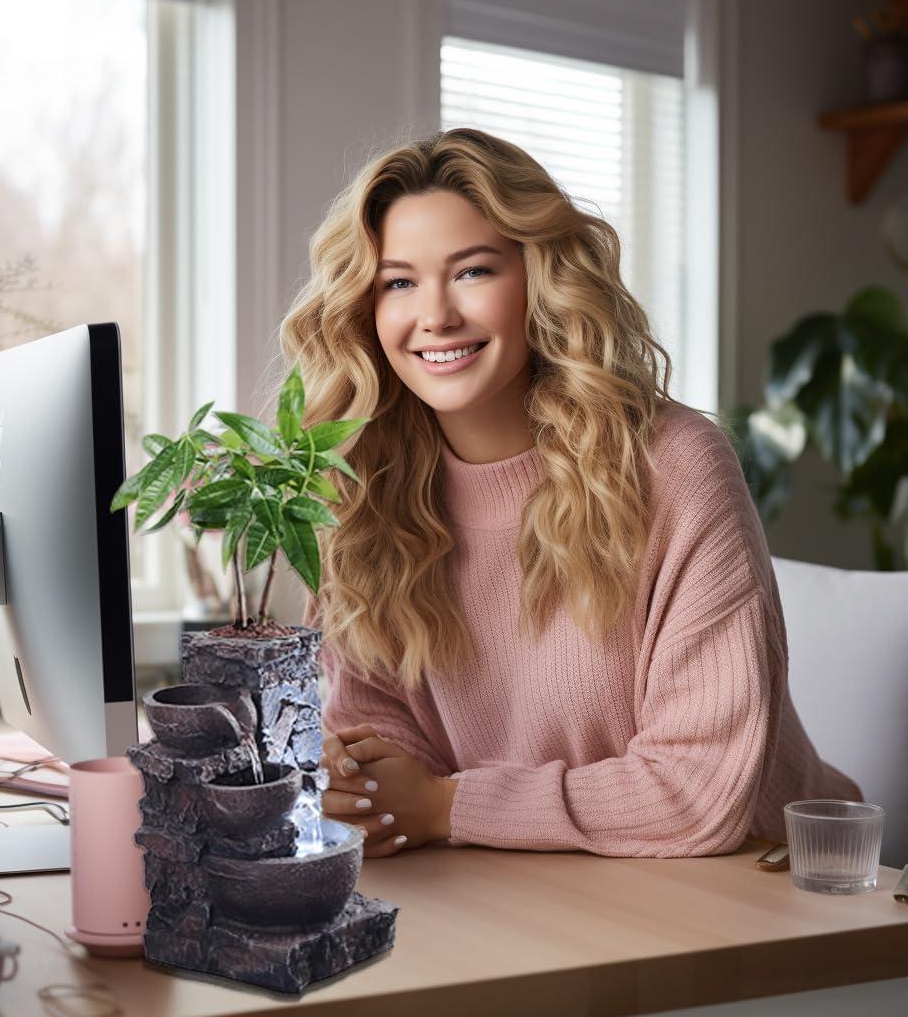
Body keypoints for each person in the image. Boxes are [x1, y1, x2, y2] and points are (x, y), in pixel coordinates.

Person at [275, 127, 861, 860]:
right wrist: (360, 778)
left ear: (539, 281)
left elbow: (698, 786)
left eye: (473, 272)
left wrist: (446, 805)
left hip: (766, 883)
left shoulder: (674, 467)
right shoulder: (365, 490)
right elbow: (381, 723)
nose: (435, 316)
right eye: (398, 282)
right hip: (533, 877)